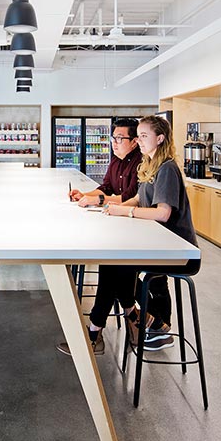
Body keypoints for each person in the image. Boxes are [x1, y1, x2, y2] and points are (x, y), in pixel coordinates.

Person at [63, 115, 196, 356]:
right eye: (138, 136)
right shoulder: (150, 163)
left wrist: (127, 211)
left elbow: (163, 214)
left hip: (175, 248)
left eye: (143, 136)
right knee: (114, 264)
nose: (139, 140)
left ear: (160, 138)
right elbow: (137, 197)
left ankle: (106, 329)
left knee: (114, 265)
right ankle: (140, 320)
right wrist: (117, 209)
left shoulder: (166, 168)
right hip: (155, 240)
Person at [68, 118, 141, 207]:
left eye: (119, 138)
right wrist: (83, 195)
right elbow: (106, 188)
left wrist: (99, 199)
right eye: (113, 138)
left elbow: (129, 197)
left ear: (134, 142)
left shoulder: (140, 163)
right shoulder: (116, 160)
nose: (114, 142)